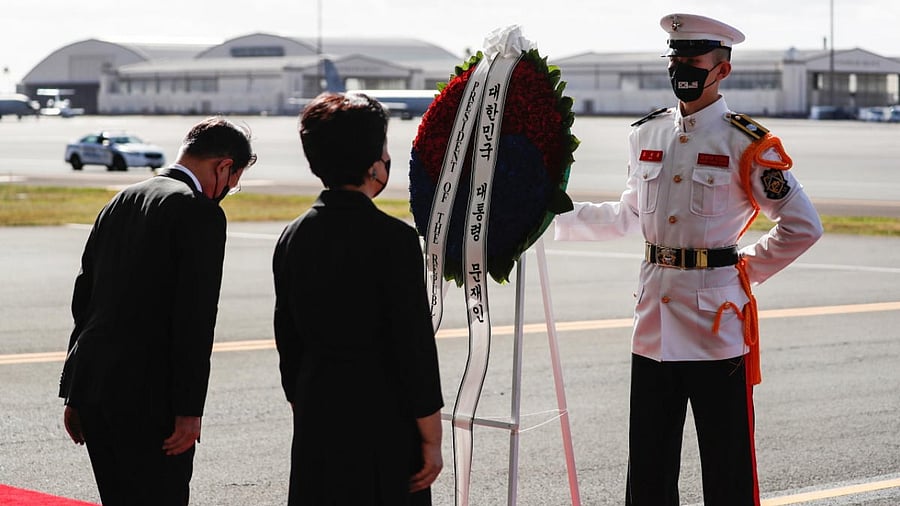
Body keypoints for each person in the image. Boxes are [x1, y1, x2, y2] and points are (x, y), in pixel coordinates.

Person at [554, 13, 824, 506]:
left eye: (693, 60)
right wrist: (549, 217)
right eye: (675, 58)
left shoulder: (746, 143)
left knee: (727, 466)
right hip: (654, 321)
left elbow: (802, 225)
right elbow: (628, 215)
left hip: (715, 327)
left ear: (721, 70)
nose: (681, 68)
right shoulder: (647, 135)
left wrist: (744, 271)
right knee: (649, 468)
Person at [59, 116, 255, 505]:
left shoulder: (120, 200)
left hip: (96, 390)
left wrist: (74, 393)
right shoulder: (199, 211)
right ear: (224, 166)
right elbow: (195, 318)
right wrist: (188, 410)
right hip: (150, 399)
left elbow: (84, 300)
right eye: (230, 185)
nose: (224, 193)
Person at [273, 92, 444, 505]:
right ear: (372, 162)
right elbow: (414, 348)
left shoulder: (292, 236)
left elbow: (288, 342)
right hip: (382, 422)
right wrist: (432, 439)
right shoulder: (395, 240)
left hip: (318, 416)